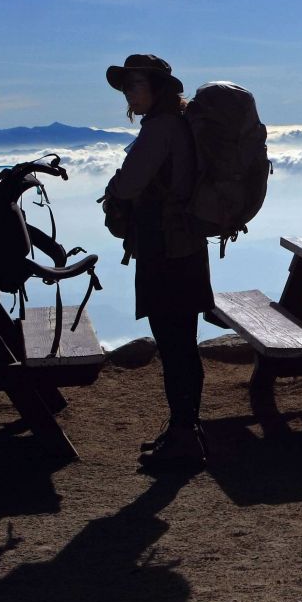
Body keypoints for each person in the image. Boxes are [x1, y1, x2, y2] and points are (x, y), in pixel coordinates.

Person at [103, 54, 213, 470]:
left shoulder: (161, 129)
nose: (129, 93)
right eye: (127, 86)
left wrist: (114, 186)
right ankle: (184, 428)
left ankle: (185, 435)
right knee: (181, 343)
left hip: (165, 248)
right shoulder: (177, 124)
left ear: (157, 87)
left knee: (174, 344)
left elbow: (130, 184)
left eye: (135, 85)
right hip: (184, 246)